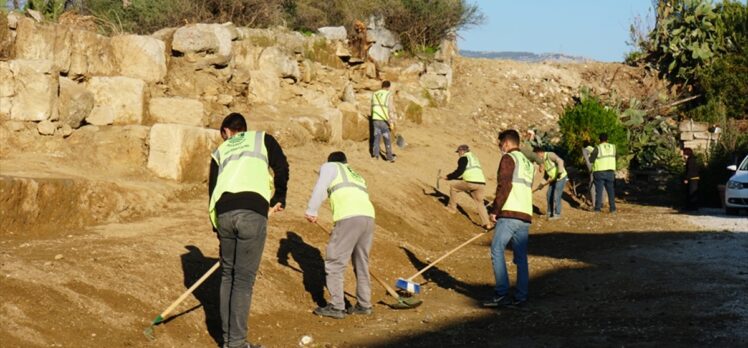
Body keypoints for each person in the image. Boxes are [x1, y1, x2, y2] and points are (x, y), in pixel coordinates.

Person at [208, 112, 289, 348]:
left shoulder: (220, 151)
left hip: (223, 213)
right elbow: (282, 167)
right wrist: (280, 196)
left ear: (226, 131)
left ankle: (228, 340)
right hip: (252, 212)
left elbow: (212, 190)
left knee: (227, 276)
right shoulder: (262, 139)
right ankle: (236, 342)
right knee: (242, 281)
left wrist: (217, 227)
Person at [305, 151, 375, 319]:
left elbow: (321, 186)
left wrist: (312, 209)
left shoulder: (330, 166)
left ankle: (337, 307)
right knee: (361, 262)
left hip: (348, 217)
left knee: (334, 262)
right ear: (346, 161)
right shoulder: (356, 175)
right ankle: (364, 304)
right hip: (368, 217)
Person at [483, 129, 534, 308]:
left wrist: (495, 210)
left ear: (506, 143)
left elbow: (504, 185)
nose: (500, 148)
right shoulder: (528, 162)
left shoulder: (508, 159)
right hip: (525, 215)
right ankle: (521, 297)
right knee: (520, 257)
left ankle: (501, 294)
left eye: (500, 144)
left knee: (497, 249)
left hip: (510, 213)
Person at [442, 144, 492, 229]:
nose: (458, 154)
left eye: (458, 152)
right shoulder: (474, 158)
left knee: (453, 187)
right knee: (480, 203)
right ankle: (487, 223)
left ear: (462, 151)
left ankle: (451, 208)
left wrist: (448, 177)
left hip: (471, 182)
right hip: (481, 183)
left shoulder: (463, 158)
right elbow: (469, 172)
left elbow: (459, 171)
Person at [533, 147, 568, 220]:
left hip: (560, 178)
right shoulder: (544, 161)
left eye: (536, 155)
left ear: (540, 153)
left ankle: (557, 214)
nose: (536, 158)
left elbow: (560, 161)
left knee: (556, 195)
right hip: (553, 179)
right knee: (549, 194)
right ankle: (549, 213)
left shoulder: (550, 155)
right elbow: (546, 175)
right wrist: (541, 184)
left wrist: (560, 172)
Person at [370, 80, 397, 162]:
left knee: (376, 137)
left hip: (375, 118)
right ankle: (389, 157)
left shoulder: (375, 94)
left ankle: (375, 155)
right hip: (384, 120)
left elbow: (372, 106)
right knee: (387, 138)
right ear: (388, 87)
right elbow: (390, 108)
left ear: (382, 86)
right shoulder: (388, 94)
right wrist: (391, 121)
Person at [590, 133, 616, 213]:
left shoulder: (598, 148)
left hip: (599, 172)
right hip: (610, 172)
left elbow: (591, 160)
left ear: (599, 139)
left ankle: (597, 209)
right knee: (611, 191)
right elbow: (616, 157)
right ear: (607, 139)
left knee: (599, 191)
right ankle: (613, 209)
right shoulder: (613, 147)